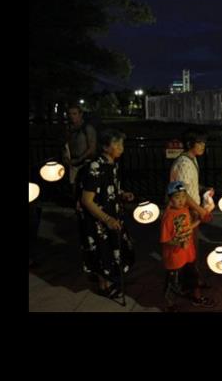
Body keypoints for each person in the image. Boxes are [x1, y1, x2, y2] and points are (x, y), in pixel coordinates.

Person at [75, 128, 135, 298]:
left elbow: (108, 188)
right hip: (97, 220)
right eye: (117, 144)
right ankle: (105, 286)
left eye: (121, 144)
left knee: (116, 248)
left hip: (111, 215)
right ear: (105, 147)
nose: (121, 147)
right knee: (102, 252)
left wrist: (122, 194)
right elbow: (87, 200)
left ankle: (110, 280)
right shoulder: (95, 166)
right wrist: (107, 219)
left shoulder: (111, 164)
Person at [169, 130, 215, 289]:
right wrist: (201, 211)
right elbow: (182, 193)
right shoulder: (184, 163)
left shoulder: (191, 159)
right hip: (185, 212)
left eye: (203, 142)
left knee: (191, 247)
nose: (203, 146)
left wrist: (203, 189)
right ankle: (189, 284)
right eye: (199, 143)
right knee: (188, 249)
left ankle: (192, 279)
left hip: (190, 210)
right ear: (190, 144)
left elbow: (188, 186)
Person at [160, 180, 216, 310]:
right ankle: (171, 305)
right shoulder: (167, 217)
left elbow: (188, 228)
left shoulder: (185, 209)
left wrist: (199, 220)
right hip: (174, 257)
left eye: (184, 197)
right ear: (170, 199)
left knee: (193, 276)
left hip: (188, 253)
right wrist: (179, 243)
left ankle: (197, 298)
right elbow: (165, 239)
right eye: (177, 197)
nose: (181, 200)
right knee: (173, 282)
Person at [62, 104, 96, 199]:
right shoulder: (69, 129)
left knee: (85, 188)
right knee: (73, 187)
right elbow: (65, 145)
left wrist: (79, 160)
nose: (71, 116)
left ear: (80, 114)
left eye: (74, 113)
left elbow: (92, 148)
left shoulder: (88, 128)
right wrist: (66, 157)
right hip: (72, 162)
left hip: (85, 163)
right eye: (70, 114)